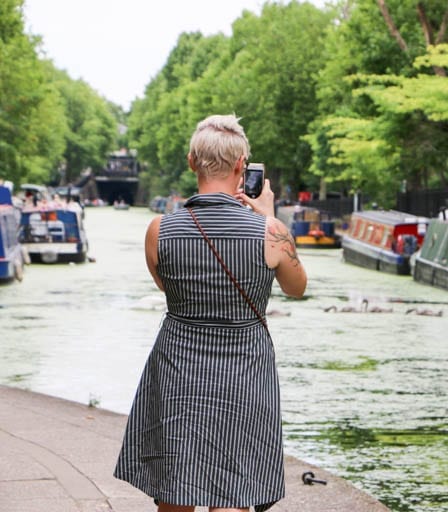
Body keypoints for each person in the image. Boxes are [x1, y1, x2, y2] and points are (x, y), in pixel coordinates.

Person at [114, 114, 307, 512]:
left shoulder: (159, 230)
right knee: (234, 492)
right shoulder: (271, 232)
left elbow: (169, 288)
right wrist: (268, 216)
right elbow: (296, 288)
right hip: (245, 370)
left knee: (175, 490)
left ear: (191, 162)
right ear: (242, 168)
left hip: (178, 367)